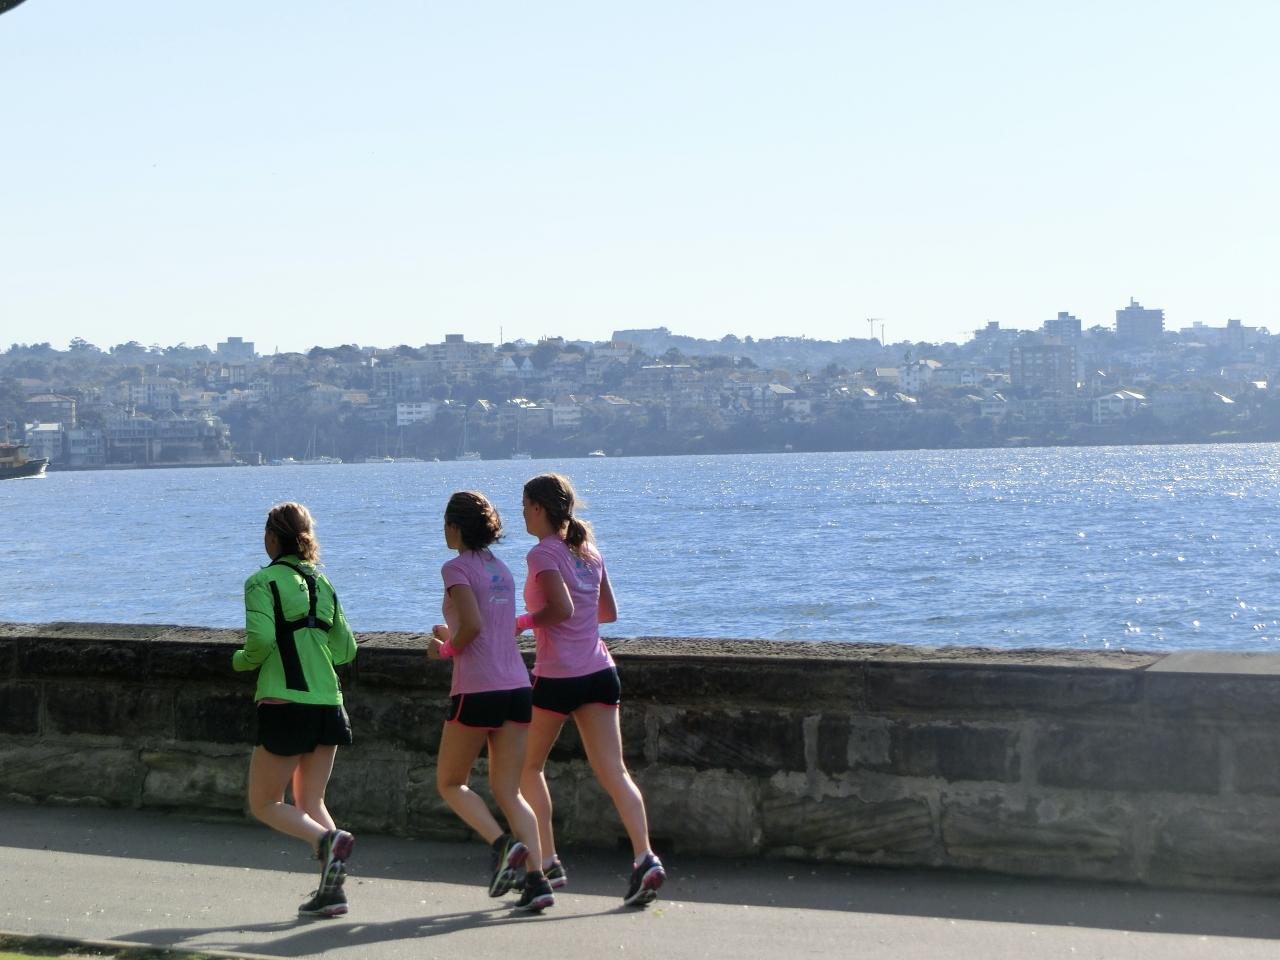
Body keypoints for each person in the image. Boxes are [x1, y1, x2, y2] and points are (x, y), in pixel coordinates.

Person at [516, 473, 665, 907]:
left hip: (557, 676)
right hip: (600, 671)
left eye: (524, 507)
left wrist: (519, 624)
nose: (522, 515)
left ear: (539, 508)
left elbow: (559, 609)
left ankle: (547, 862)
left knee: (527, 768)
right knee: (615, 772)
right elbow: (608, 612)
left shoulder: (542, 554)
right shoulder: (589, 552)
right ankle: (645, 858)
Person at [428, 491, 555, 912]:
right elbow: (492, 626)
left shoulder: (455, 568)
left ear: (456, 527)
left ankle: (503, 846)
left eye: (446, 524)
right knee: (510, 791)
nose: (444, 531)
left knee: (450, 782)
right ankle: (537, 880)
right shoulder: (500, 568)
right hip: (516, 686)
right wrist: (452, 635)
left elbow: (473, 627)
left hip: (477, 688)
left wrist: (443, 650)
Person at [233, 501, 358, 918]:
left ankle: (327, 841)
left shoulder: (261, 582)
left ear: (271, 538)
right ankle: (332, 891)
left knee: (265, 803)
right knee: (311, 802)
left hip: (285, 703)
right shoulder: (324, 582)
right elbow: (346, 649)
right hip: (329, 703)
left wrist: (240, 661)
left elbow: (260, 643)